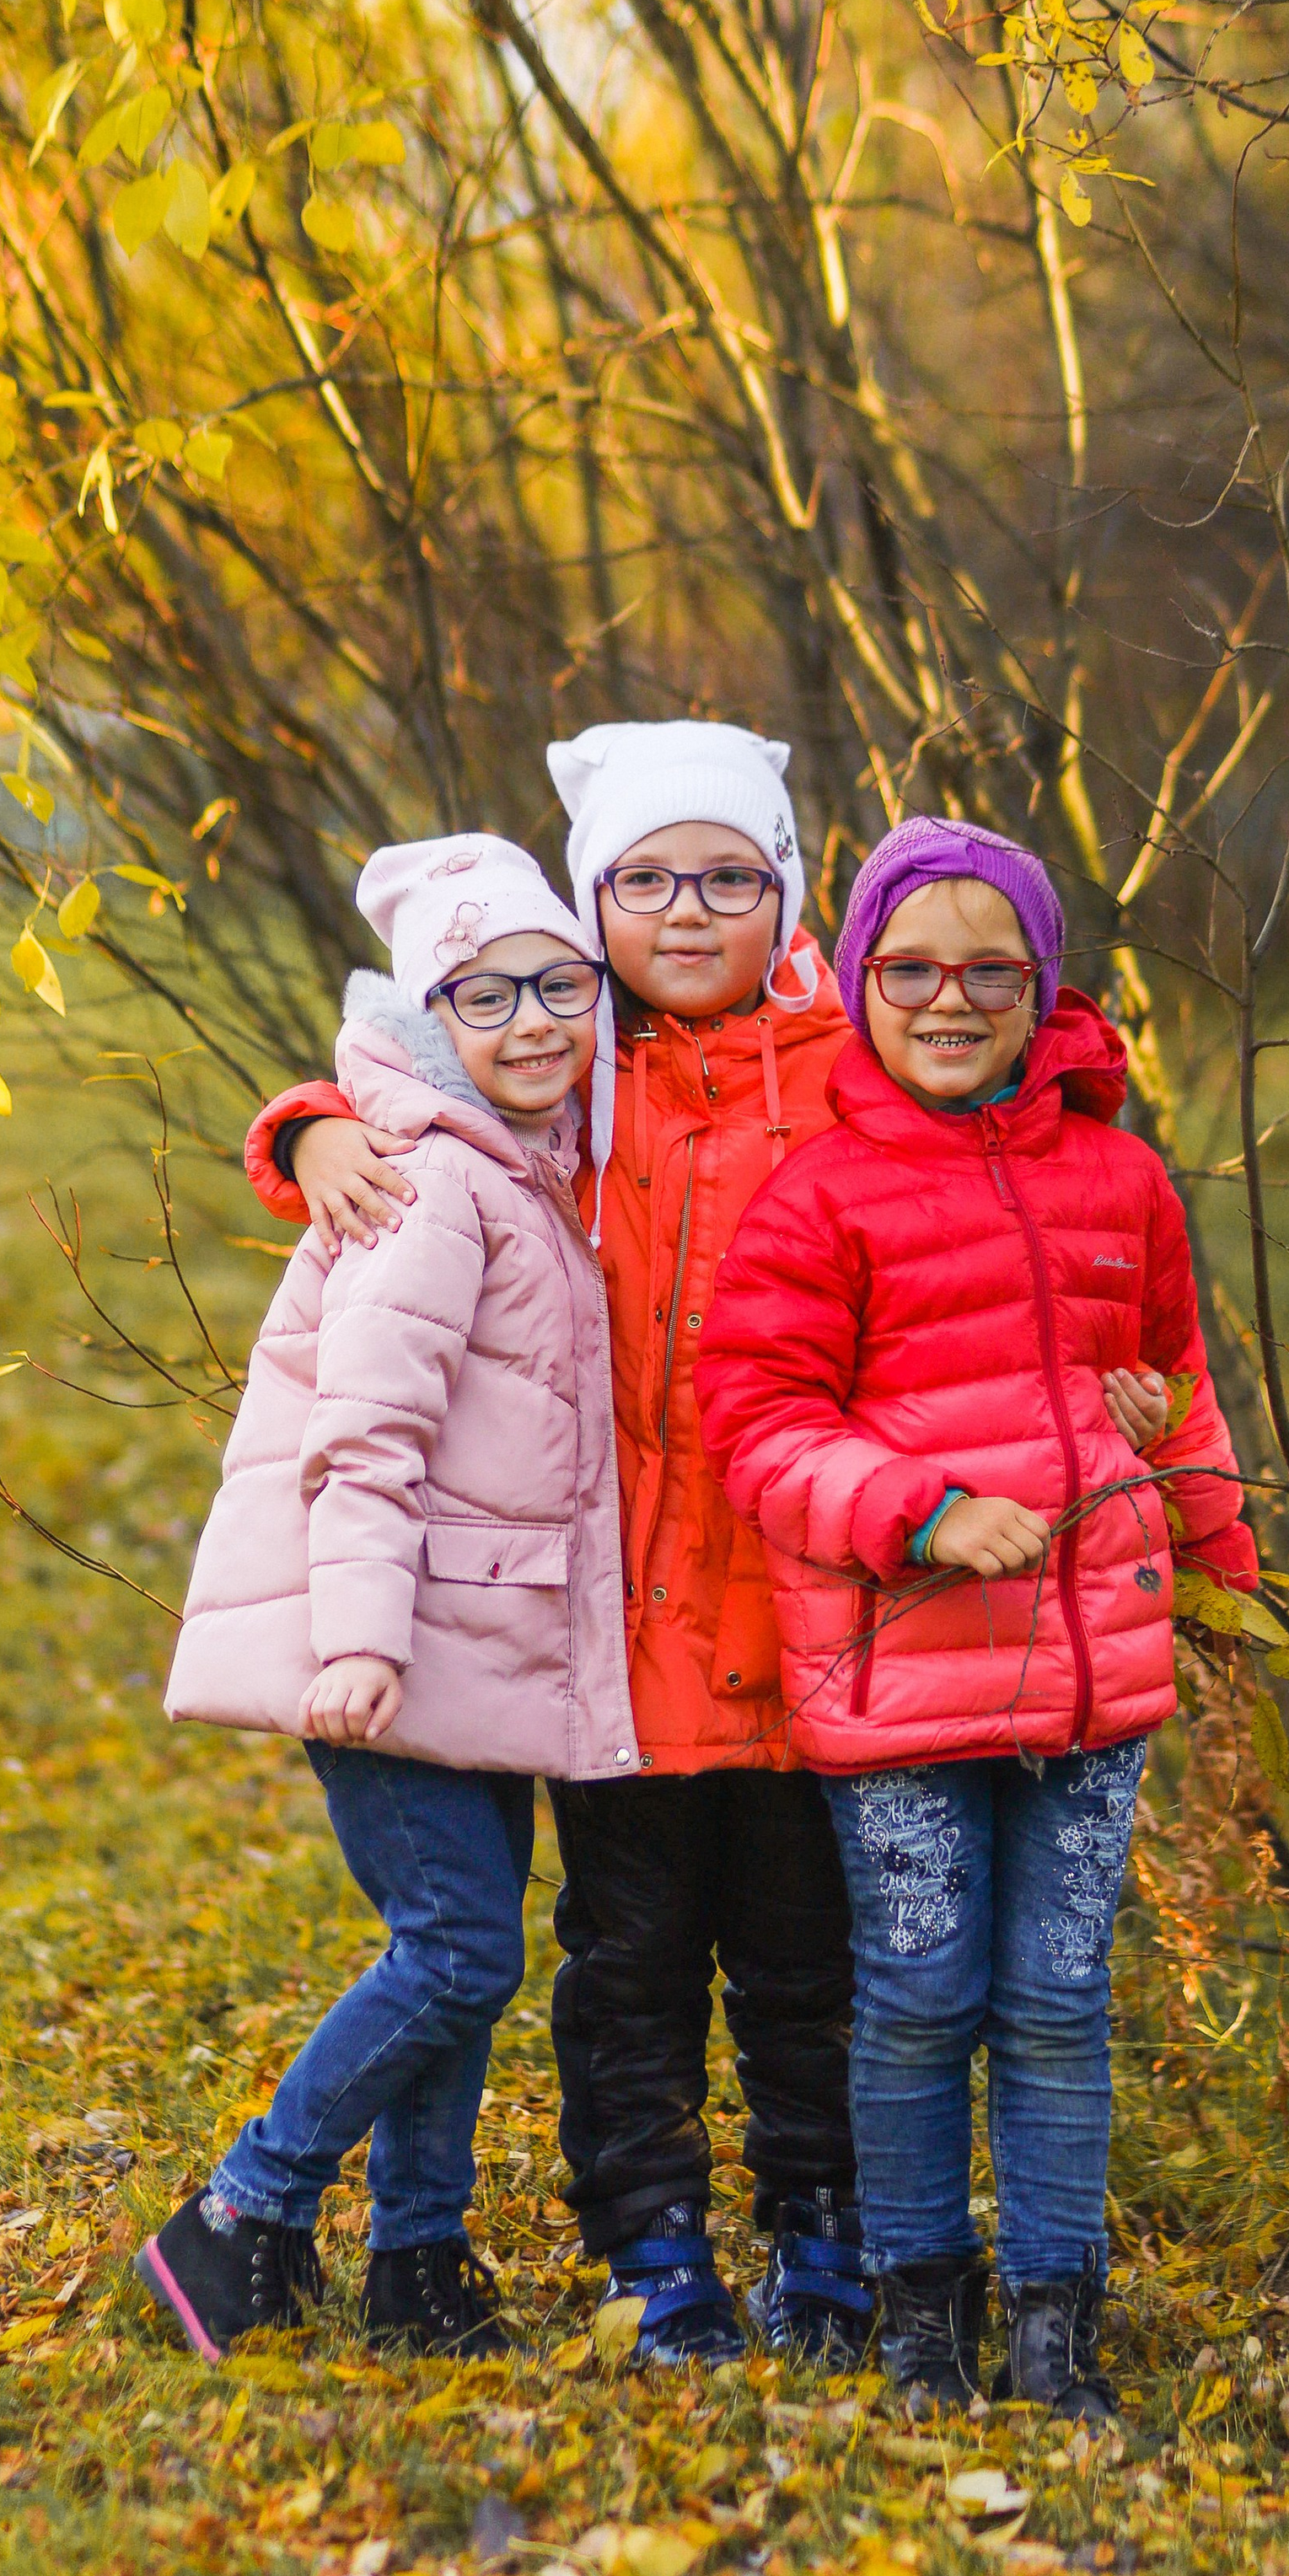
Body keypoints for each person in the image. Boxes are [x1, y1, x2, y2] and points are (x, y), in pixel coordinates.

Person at [240, 727, 867, 2365]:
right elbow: (424, 1092)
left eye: (727, 875)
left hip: (798, 1596)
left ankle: (814, 2241)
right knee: (612, 1952)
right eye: (645, 881)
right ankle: (635, 2248)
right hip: (614, 1627)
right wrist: (307, 1127)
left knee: (800, 1959)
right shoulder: (587, 1074)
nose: (683, 911)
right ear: (600, 906)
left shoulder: (830, 1065)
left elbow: (983, 1076)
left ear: (784, 891)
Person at [693, 817, 1259, 2420]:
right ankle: (923, 2311)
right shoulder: (822, 1195)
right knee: (924, 1990)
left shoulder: (1120, 1177)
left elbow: (1178, 1396)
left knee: (1060, 2001)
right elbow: (760, 1426)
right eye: (913, 971)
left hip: (1093, 1674)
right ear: (862, 979)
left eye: (989, 972)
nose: (951, 1001)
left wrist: (1223, 1574)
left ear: (1041, 986)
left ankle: (1055, 2321)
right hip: (900, 1668)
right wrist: (920, 1511)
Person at [142, 834, 636, 2364]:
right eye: (489, 997)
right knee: (461, 1950)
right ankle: (239, 2211)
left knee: (462, 1956)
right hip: (392, 1642)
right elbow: (367, 1432)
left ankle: (420, 2264)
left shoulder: (527, 1169)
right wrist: (357, 1636)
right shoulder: (427, 1185)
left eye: (563, 986)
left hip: (466, 1640)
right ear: (432, 1023)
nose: (536, 1021)